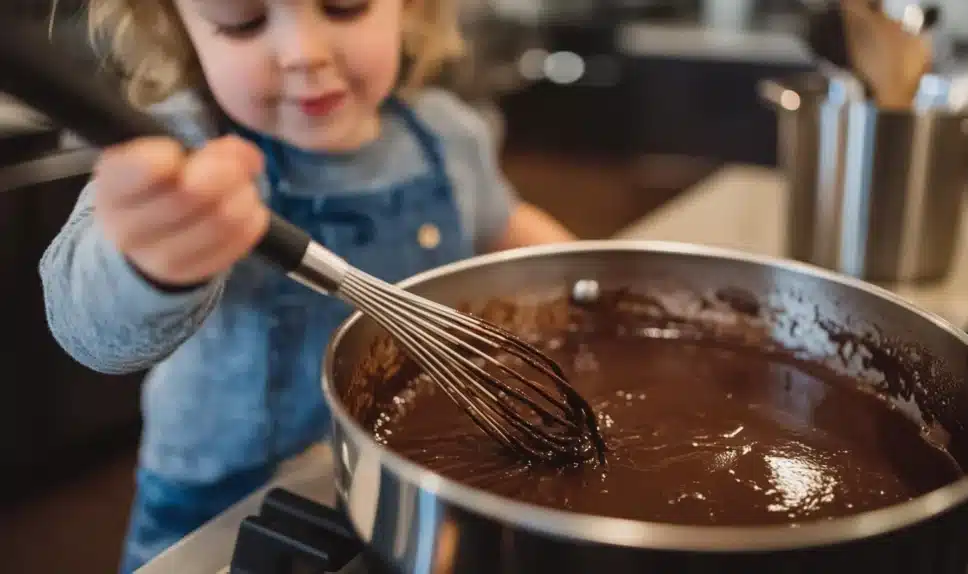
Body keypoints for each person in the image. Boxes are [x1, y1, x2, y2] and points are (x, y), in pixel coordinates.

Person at [38, 0, 575, 571]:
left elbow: (505, 224)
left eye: (345, 7)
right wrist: (144, 262)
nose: (303, 55)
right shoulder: (180, 156)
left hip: (405, 476)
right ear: (180, 30)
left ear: (412, 9)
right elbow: (87, 323)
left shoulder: (447, 133)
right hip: (221, 508)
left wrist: (583, 275)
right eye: (243, 22)